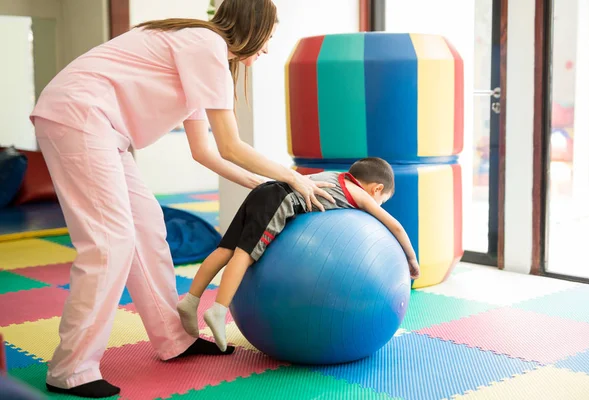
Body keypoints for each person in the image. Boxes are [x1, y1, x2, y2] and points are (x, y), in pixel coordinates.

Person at [29, 0, 336, 398]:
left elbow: (205, 151)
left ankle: (174, 339)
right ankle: (71, 368)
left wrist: (260, 186)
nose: (267, 47)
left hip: (102, 129)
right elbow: (230, 145)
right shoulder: (206, 45)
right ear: (253, 25)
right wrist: (294, 178)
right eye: (269, 37)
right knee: (111, 242)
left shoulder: (200, 54)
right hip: (79, 117)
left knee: (148, 228)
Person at [177, 157, 421, 351]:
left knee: (225, 250)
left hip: (264, 191)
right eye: (381, 201)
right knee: (245, 254)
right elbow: (395, 226)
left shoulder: (334, 177)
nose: (378, 206)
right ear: (376, 188)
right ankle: (218, 309)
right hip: (279, 200)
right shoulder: (358, 193)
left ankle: (190, 300)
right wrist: (411, 259)